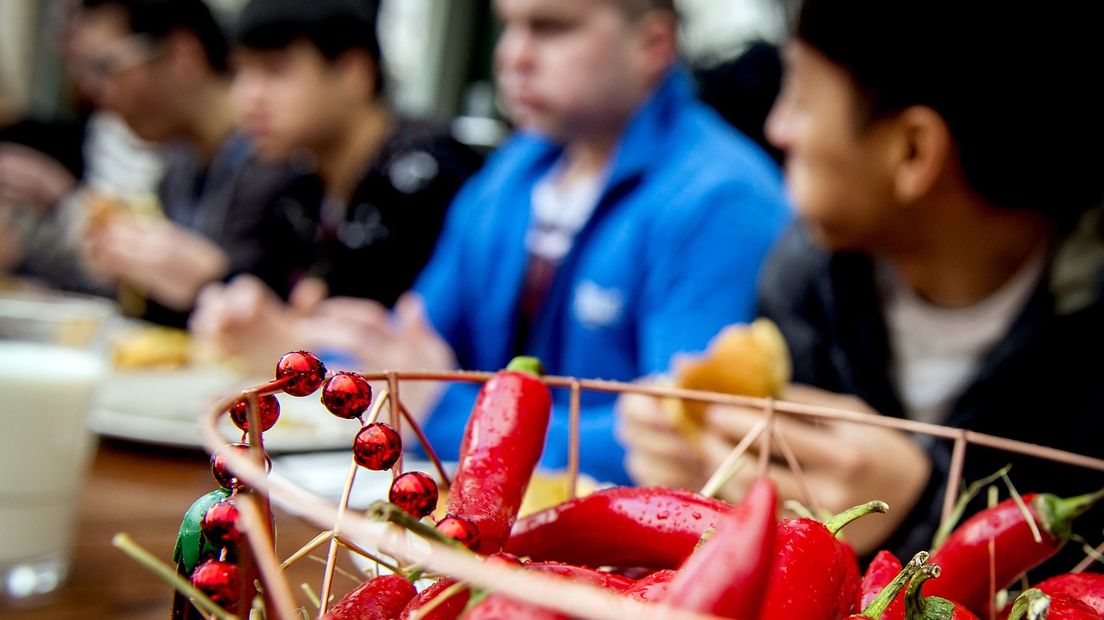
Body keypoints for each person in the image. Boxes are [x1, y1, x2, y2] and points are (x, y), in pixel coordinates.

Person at [618, 0, 1104, 567]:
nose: (777, 127)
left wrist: (923, 509)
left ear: (913, 151)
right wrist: (711, 469)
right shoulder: (806, 278)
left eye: (799, 93)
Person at [230, 0, 790, 485]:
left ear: (653, 43)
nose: (512, 56)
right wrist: (305, 353)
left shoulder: (723, 198)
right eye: (508, 26)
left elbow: (687, 448)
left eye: (550, 28)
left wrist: (442, 416)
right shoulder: (518, 169)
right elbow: (413, 345)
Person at [187, 0, 483, 370]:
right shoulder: (296, 177)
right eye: (240, 73)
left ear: (353, 72)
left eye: (275, 70)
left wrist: (290, 336)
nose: (248, 98)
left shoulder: (426, 176)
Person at [74, 0, 294, 326]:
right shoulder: (177, 169)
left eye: (108, 66)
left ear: (183, 55)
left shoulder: (287, 162)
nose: (98, 92)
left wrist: (213, 278)